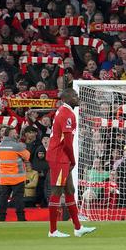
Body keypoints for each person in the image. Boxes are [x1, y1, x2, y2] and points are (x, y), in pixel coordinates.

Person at [46, 88, 95, 238]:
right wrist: (73, 160)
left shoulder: (63, 111)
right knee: (56, 191)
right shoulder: (67, 114)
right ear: (67, 98)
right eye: (75, 96)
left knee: (70, 190)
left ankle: (78, 228)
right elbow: (67, 144)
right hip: (59, 157)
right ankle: (53, 231)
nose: (77, 98)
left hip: (60, 156)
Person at [0, 128, 29, 222]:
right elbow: (27, 156)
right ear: (10, 134)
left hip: (4, 178)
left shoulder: (0, 146)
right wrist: (22, 147)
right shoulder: (17, 146)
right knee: (19, 198)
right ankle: (21, 218)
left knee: (3, 198)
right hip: (17, 178)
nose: (17, 134)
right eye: (15, 133)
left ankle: (1, 218)